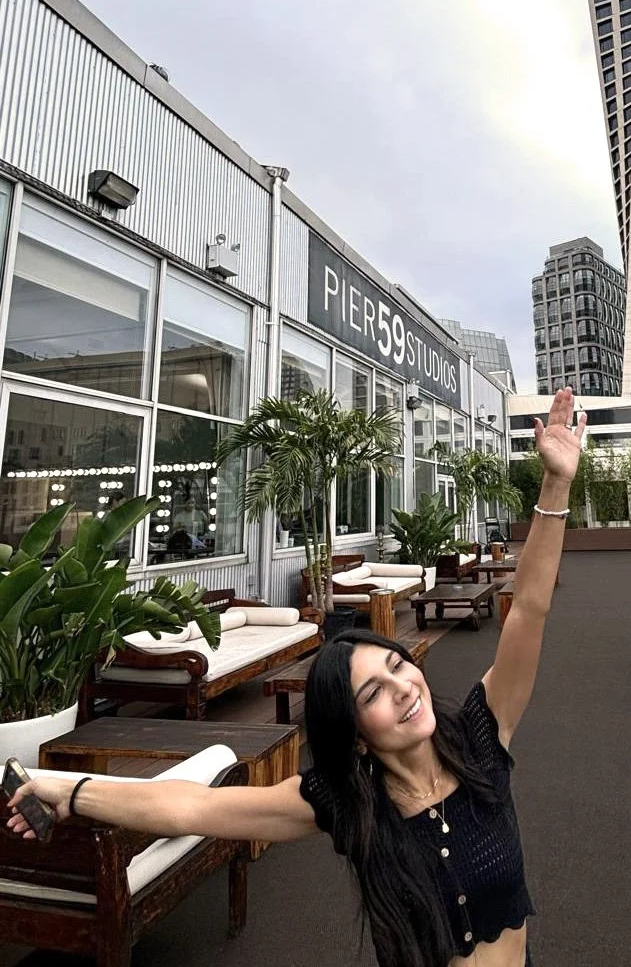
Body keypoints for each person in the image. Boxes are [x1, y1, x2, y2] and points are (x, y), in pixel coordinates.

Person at [7, 387, 586, 967]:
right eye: (373, 693)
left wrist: (555, 485)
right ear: (356, 731)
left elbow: (529, 608)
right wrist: (70, 792)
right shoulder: (348, 802)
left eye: (397, 665)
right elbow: (189, 809)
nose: (404, 687)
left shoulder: (482, 738)